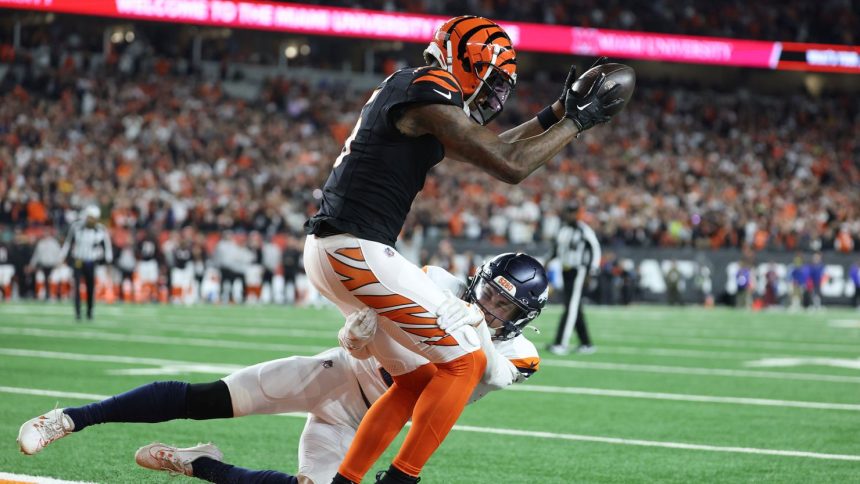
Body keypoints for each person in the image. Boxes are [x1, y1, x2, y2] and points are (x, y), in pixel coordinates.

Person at [303, 15, 623, 483]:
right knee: (466, 361)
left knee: (414, 380)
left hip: (343, 246)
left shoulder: (417, 90)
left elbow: (487, 150)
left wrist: (555, 114)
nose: (494, 94)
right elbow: (509, 165)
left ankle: (345, 480)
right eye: (491, 78)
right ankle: (401, 478)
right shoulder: (427, 85)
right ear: (465, 59)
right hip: (355, 246)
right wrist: (579, 120)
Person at [17, 254, 547, 484]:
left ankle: (200, 465)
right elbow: (379, 320)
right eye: (489, 298)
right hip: (338, 372)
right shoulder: (438, 282)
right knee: (207, 398)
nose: (493, 310)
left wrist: (477, 326)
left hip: (363, 423)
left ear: (522, 317)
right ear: (476, 280)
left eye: (506, 309)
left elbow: (491, 372)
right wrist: (357, 332)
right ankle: (67, 419)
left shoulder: (519, 353)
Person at [547, 204, 601, 355]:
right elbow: (556, 250)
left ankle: (561, 343)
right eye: (568, 212)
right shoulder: (563, 230)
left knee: (570, 307)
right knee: (575, 308)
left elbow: (595, 249)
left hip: (579, 271)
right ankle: (586, 343)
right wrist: (546, 261)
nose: (569, 216)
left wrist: (592, 271)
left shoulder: (584, 230)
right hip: (566, 271)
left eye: (572, 213)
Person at [60, 206, 113, 320]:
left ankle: (89, 311)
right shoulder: (76, 227)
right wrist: (62, 257)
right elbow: (68, 243)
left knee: (90, 287)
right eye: (89, 218)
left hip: (91, 262)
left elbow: (107, 247)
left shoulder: (101, 230)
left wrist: (108, 262)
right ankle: (78, 312)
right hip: (78, 260)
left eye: (93, 218)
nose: (91, 220)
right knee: (77, 286)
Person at [28, 228, 62, 300]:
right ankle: (46, 294)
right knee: (44, 280)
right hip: (43, 264)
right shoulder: (41, 243)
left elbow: (58, 253)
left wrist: (59, 262)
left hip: (52, 264)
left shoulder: (54, 243)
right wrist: (32, 264)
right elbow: (36, 255)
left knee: (52, 280)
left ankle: (55, 294)